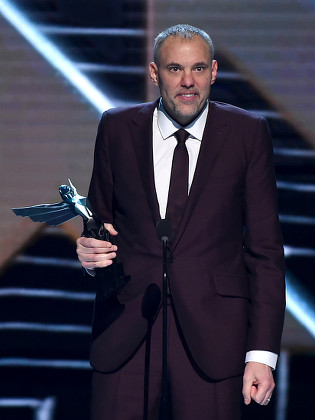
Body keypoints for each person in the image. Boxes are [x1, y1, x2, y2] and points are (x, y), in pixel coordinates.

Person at [76, 24, 285, 420]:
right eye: (175, 69)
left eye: (199, 69)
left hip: (215, 335)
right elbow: (99, 226)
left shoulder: (246, 132)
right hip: (127, 329)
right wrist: (89, 254)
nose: (188, 82)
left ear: (214, 71)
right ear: (154, 73)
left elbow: (266, 252)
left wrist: (261, 355)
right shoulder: (117, 128)